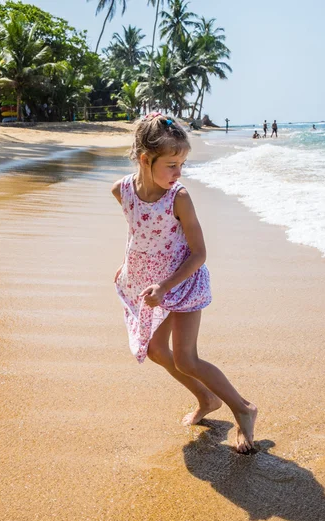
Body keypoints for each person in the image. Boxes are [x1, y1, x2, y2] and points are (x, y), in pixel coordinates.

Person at [111, 113, 258, 453]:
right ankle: (206, 398)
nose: (179, 173)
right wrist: (126, 267)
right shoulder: (122, 191)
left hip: (184, 280)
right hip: (149, 284)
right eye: (172, 165)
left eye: (182, 164)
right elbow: (138, 232)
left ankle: (243, 408)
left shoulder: (178, 197)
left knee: (186, 359)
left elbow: (199, 252)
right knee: (156, 350)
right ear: (146, 160)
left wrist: (165, 285)